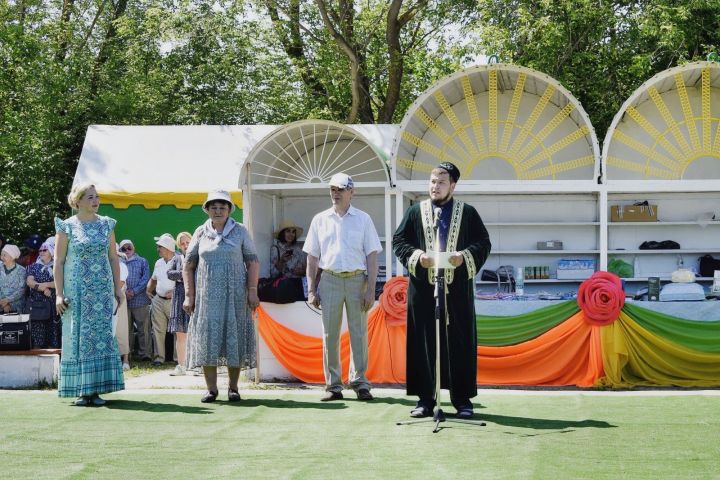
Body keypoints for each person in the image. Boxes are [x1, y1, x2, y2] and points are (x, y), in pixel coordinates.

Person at [392, 162, 491, 419]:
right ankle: (425, 400)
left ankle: (462, 399)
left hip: (457, 289)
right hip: (423, 288)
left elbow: (483, 242)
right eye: (432, 182)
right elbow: (399, 241)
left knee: (460, 341)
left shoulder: (467, 213)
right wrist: (417, 256)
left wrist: (464, 256)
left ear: (453, 186)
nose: (435, 187)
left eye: (441, 182)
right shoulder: (415, 212)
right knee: (423, 341)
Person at [303, 173, 382, 402]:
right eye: (332, 189)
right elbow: (312, 258)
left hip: (358, 279)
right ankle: (333, 385)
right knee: (330, 334)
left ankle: (360, 383)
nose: (335, 193)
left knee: (359, 333)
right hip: (329, 279)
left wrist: (371, 289)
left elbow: (372, 256)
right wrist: (311, 289)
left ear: (351, 192)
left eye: (340, 189)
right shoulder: (320, 219)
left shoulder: (363, 219)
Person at [183, 190, 260, 403]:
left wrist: (252, 291)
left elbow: (252, 261)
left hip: (236, 296)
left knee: (234, 339)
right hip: (207, 298)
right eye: (214, 207)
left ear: (229, 210)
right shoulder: (200, 232)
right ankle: (211, 389)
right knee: (209, 341)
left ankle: (233, 388)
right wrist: (189, 295)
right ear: (207, 209)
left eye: (222, 207)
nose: (218, 211)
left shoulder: (241, 231)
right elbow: (188, 265)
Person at [54, 183, 125, 406]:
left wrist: (117, 288)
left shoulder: (106, 225)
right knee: (78, 337)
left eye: (97, 197)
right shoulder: (67, 227)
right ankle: (81, 391)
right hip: (76, 292)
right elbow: (59, 261)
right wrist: (58, 294)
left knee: (101, 338)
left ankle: (95, 391)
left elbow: (114, 258)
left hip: (101, 292)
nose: (96, 201)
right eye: (91, 197)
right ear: (78, 201)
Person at [146, 233, 177, 366]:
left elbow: (187, 281)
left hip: (175, 301)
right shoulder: (158, 262)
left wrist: (176, 292)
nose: (158, 249)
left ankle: (179, 359)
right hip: (158, 300)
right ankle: (159, 358)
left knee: (178, 330)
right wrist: (148, 290)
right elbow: (153, 279)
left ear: (168, 248)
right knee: (158, 330)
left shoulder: (179, 260)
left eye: (160, 247)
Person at [120, 238, 152, 361]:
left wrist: (133, 291)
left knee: (144, 329)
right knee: (126, 330)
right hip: (123, 301)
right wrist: (125, 292)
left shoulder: (142, 261)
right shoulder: (118, 262)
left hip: (140, 300)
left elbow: (146, 279)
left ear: (134, 248)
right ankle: (128, 354)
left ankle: (146, 354)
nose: (127, 250)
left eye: (129, 247)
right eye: (124, 248)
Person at [26, 239, 61, 348]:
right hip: (38, 306)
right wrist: (42, 288)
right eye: (40, 250)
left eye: (44, 250)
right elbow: (29, 282)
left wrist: (46, 284)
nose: (41, 252)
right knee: (38, 334)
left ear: (51, 251)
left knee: (53, 333)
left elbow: (60, 282)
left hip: (53, 304)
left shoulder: (58, 266)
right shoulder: (34, 266)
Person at [166, 231, 192, 376]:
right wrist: (184, 274)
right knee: (180, 334)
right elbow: (169, 273)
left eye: (187, 242)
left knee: (195, 333)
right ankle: (181, 365)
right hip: (179, 299)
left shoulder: (198, 257)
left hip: (194, 299)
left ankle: (196, 365)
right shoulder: (177, 258)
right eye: (182, 243)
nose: (185, 245)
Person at [114, 243, 131, 370]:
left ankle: (125, 360)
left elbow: (120, 284)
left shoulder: (121, 265)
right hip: (106, 300)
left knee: (121, 328)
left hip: (118, 298)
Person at [0, 244, 27, 314]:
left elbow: (21, 290)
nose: (1, 257)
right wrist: (2, 302)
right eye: (1, 255)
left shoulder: (22, 271)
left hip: (16, 308)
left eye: (4, 255)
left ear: (12, 257)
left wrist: (8, 301)